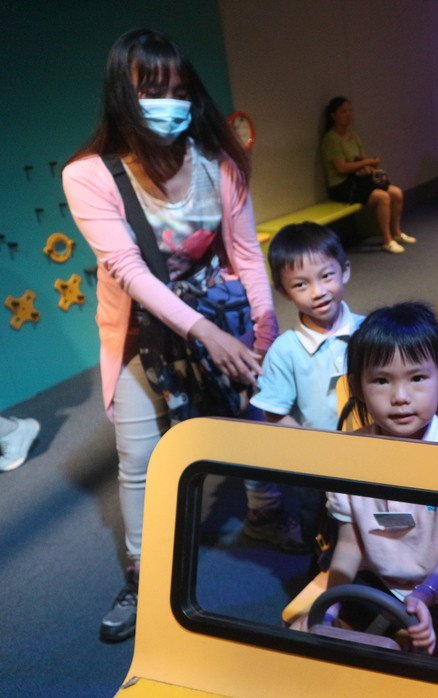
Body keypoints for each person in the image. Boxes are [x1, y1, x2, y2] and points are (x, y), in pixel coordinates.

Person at [62, 28, 279, 643]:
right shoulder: (90, 176)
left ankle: (265, 514)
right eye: (151, 90)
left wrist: (264, 331)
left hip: (223, 314)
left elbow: (246, 254)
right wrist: (204, 333)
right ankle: (144, 574)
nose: (169, 103)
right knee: (139, 458)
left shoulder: (220, 164)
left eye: (179, 89)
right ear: (122, 96)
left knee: (251, 420)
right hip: (142, 331)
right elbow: (128, 271)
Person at [326, 302, 438, 667]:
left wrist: (425, 594)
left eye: (417, 378)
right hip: (379, 584)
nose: (400, 397)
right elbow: (349, 543)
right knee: (330, 648)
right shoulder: (346, 455)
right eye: (381, 380)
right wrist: (330, 607)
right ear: (357, 387)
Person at [250, 223, 364, 431]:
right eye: (300, 284)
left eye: (326, 275)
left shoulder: (370, 329)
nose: (318, 292)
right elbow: (275, 414)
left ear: (345, 271)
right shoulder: (283, 351)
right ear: (284, 292)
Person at [321, 97, 415, 254]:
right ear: (333, 116)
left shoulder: (353, 136)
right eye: (343, 111)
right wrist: (365, 163)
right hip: (342, 186)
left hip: (358, 181)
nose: (348, 114)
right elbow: (341, 168)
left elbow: (361, 159)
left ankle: (397, 233)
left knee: (397, 193)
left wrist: (371, 164)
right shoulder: (330, 139)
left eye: (350, 111)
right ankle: (387, 240)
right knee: (383, 197)